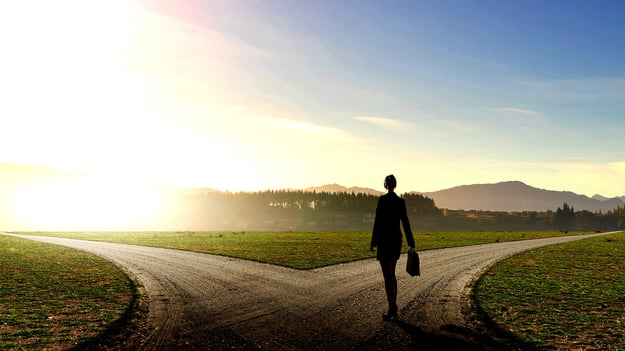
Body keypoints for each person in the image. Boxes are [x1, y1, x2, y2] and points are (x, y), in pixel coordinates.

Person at [370, 174, 415, 321]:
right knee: (392, 273)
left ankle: (392, 308)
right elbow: (406, 223)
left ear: (385, 185)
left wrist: (373, 241)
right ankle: (392, 306)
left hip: (384, 240)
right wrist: (411, 242)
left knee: (387, 275)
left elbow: (377, 221)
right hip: (396, 239)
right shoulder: (400, 202)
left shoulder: (382, 201)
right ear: (395, 185)